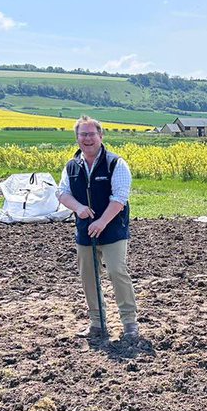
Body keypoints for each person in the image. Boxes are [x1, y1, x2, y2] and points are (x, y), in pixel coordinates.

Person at [56, 116, 139, 341]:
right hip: (85, 231)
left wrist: (102, 221)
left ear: (101, 136)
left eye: (92, 134)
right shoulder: (71, 166)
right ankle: (97, 323)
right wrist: (78, 207)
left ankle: (129, 323)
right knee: (89, 277)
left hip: (112, 229)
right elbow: (62, 193)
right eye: (83, 135)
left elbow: (120, 197)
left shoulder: (115, 163)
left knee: (116, 271)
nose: (87, 139)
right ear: (77, 138)